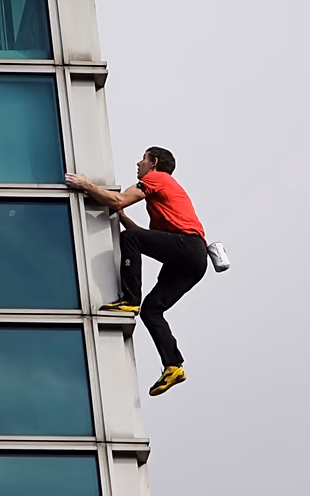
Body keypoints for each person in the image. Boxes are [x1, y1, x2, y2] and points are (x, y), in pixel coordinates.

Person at [65, 146, 227, 396]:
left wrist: (87, 186)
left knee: (129, 238)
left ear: (153, 162)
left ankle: (130, 299)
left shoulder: (157, 178)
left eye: (142, 159)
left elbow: (121, 203)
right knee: (152, 310)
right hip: (193, 261)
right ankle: (173, 366)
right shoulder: (164, 195)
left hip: (188, 247)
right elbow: (140, 230)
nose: (137, 164)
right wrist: (120, 215)